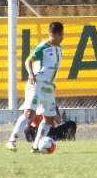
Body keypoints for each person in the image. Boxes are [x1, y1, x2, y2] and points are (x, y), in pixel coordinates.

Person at [6, 21, 65, 152]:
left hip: (48, 87)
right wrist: (31, 74)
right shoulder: (43, 47)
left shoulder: (60, 49)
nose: (61, 37)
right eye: (58, 35)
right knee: (29, 114)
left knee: (49, 120)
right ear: (51, 34)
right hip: (36, 84)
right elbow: (28, 61)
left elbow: (52, 68)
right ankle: (12, 140)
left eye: (62, 34)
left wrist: (52, 82)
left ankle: (36, 146)